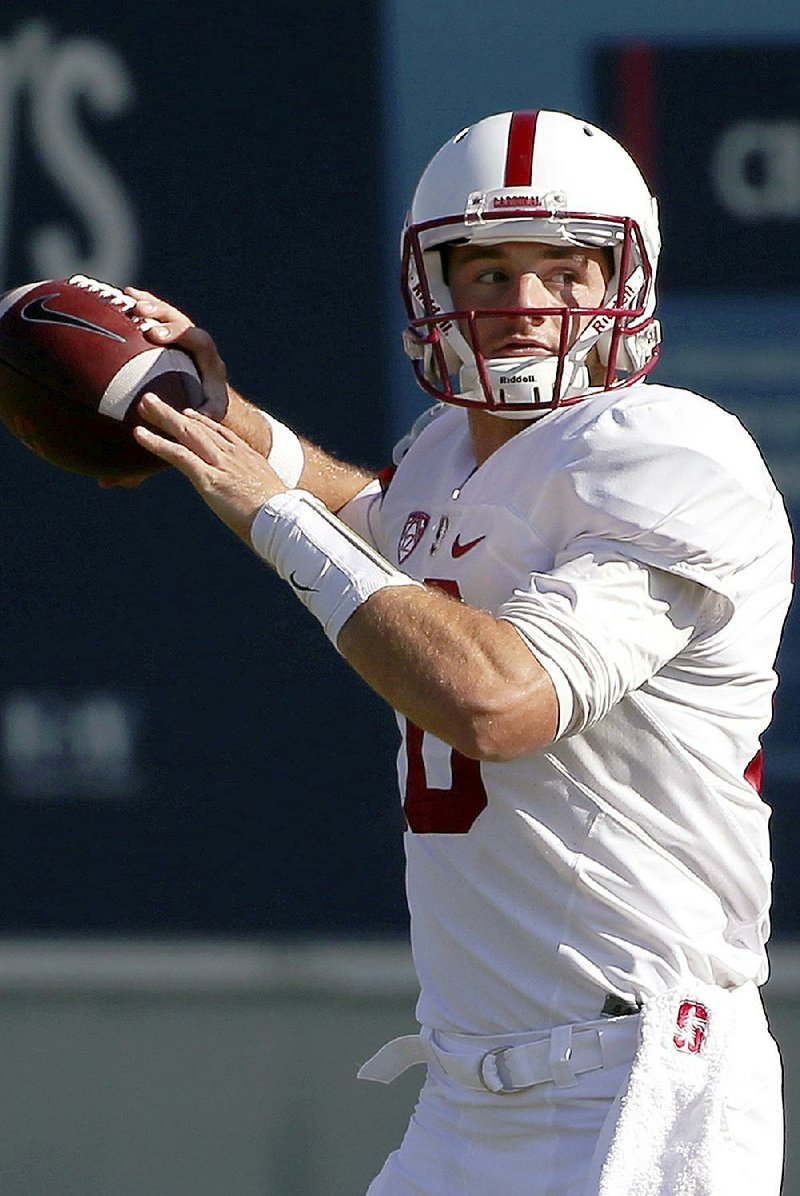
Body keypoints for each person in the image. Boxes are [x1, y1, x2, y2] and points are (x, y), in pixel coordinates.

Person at [125, 110, 792, 1195]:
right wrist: (226, 415)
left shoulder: (668, 452)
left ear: (625, 275)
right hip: (466, 1090)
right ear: (431, 285)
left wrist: (265, 515)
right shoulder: (451, 449)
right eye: (484, 268)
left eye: (564, 268)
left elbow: (495, 700)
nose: (523, 304)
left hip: (633, 1086)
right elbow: (391, 527)